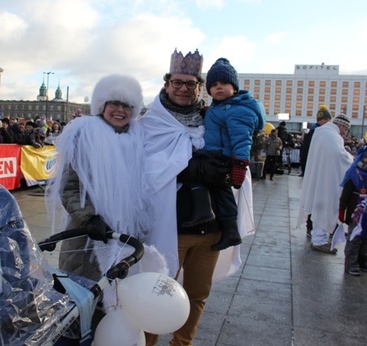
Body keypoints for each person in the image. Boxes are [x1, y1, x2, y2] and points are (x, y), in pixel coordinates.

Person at [140, 49, 255, 346]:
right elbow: (144, 171)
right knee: (157, 290)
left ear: (198, 87)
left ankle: (182, 342)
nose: (182, 88)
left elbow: (236, 153)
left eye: (190, 84)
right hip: (171, 227)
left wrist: (227, 170)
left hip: (211, 230)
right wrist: (188, 168)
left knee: (197, 294)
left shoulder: (212, 117)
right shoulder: (150, 123)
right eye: (177, 82)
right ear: (166, 84)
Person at [46, 74, 166, 315]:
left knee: (118, 302)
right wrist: (90, 218)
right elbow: (70, 187)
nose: (120, 110)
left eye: (126, 105)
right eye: (114, 104)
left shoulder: (139, 138)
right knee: (83, 302)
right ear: (102, 105)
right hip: (88, 236)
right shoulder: (85, 134)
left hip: (125, 236)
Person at [182, 58, 265, 251]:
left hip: (225, 158)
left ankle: (230, 230)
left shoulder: (238, 110)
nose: (219, 88)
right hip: (214, 154)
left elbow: (242, 139)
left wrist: (239, 164)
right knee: (199, 175)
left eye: (224, 84)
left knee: (222, 192)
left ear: (234, 88)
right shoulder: (220, 108)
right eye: (214, 85)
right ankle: (204, 212)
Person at [297, 113, 353, 254]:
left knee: (319, 208)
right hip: (327, 180)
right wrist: (352, 159)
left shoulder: (323, 132)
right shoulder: (331, 135)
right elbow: (338, 155)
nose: (345, 133)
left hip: (320, 177)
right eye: (345, 129)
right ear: (341, 125)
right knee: (325, 207)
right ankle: (319, 240)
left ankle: (319, 239)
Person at [339, 145, 367, 276]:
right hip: (355, 211)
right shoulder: (353, 173)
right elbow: (346, 194)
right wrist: (342, 210)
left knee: (366, 238)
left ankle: (363, 260)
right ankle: (351, 263)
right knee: (355, 237)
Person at [300, 105, 332, 176]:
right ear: (319, 120)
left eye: (329, 119)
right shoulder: (315, 131)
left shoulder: (326, 131)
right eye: (325, 119)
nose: (328, 121)